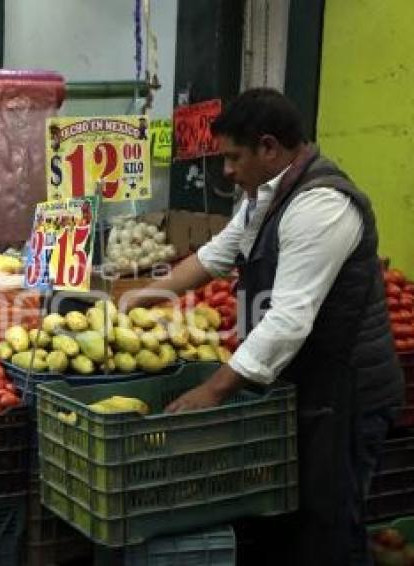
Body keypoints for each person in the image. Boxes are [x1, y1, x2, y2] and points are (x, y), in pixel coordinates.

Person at [129, 88, 404, 565]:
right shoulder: (266, 198)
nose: (227, 171)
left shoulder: (320, 206)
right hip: (307, 384)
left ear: (270, 147)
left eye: (234, 157)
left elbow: (288, 320)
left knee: (331, 525)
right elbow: (214, 257)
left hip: (348, 393)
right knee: (293, 522)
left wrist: (213, 390)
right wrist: (135, 301)